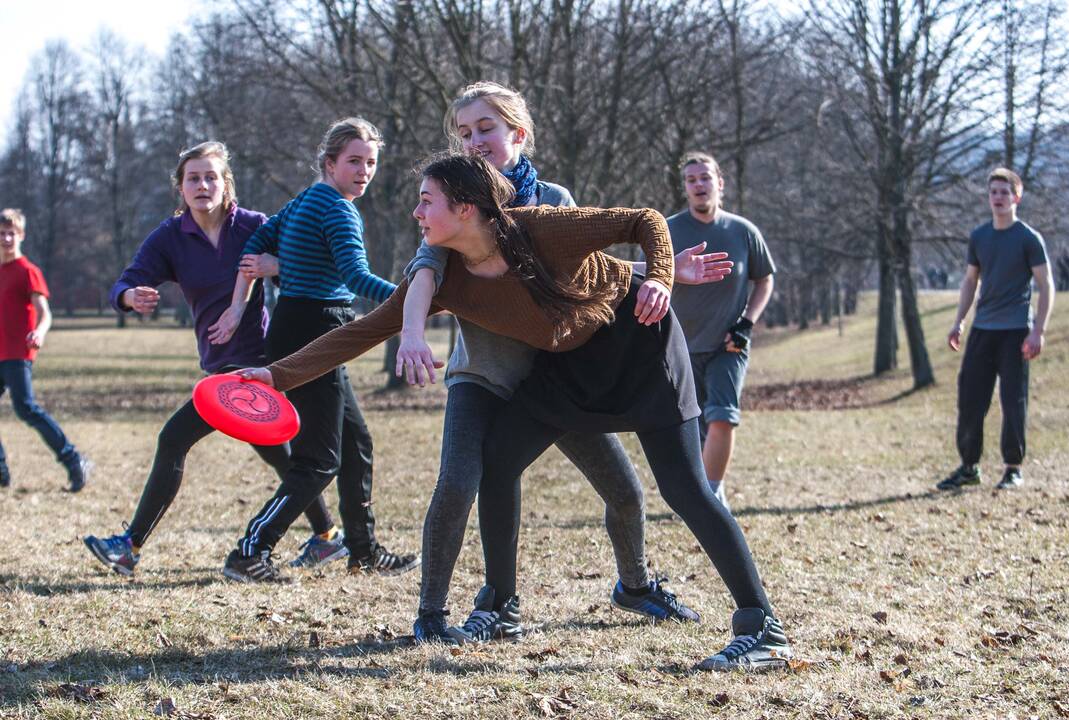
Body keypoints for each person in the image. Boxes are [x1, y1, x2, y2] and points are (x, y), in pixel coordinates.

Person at [240, 154, 794, 671]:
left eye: (426, 200)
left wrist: (660, 278)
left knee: (686, 489)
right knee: (497, 460)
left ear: (465, 208)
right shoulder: (447, 276)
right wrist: (275, 376)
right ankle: (502, 605)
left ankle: (760, 624)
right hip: (562, 367)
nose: (416, 212)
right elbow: (362, 330)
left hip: (636, 344)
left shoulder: (542, 226)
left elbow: (646, 220)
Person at [397, 82, 730, 643]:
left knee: (625, 491)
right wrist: (410, 331)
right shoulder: (456, 199)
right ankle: (438, 613)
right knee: (460, 482)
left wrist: (660, 275)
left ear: (518, 135)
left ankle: (635, 586)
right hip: (481, 375)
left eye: (486, 129)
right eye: (465, 132)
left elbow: (586, 274)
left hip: (551, 378)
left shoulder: (553, 199)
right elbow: (424, 268)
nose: (475, 141)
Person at [82, 142, 344, 577]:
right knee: (280, 455)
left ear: (226, 186)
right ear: (180, 188)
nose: (202, 185)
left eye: (211, 177)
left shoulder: (255, 226)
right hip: (220, 368)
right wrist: (129, 296)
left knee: (174, 439)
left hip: (263, 364)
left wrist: (272, 264)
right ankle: (327, 537)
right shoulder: (172, 237)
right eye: (193, 178)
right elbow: (126, 280)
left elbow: (307, 262)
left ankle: (128, 546)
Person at [214, 117, 417, 582]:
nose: (363, 171)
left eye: (370, 163)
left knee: (356, 443)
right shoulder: (339, 209)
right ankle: (250, 552)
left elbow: (257, 243)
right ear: (330, 163)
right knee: (319, 459)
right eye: (353, 162)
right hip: (316, 330)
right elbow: (355, 277)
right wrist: (417, 298)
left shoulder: (307, 199)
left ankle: (363, 551)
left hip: (298, 324)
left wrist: (281, 265)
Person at [666, 152, 775, 508]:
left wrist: (746, 322)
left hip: (729, 343)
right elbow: (652, 282)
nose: (699, 185)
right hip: (680, 346)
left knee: (722, 416)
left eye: (705, 178)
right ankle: (701, 492)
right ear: (685, 188)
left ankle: (712, 497)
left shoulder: (743, 231)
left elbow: (764, 280)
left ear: (719, 183)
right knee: (692, 427)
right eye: (692, 180)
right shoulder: (668, 230)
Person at [938, 168, 1054, 491]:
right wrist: (959, 320)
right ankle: (969, 466)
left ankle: (1013, 468)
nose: (998, 198)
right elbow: (970, 282)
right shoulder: (979, 237)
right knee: (970, 396)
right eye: (993, 192)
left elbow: (1047, 285)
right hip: (983, 329)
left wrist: (1038, 330)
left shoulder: (1029, 238)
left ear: (1017, 197)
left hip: (1016, 329)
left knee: (1012, 399)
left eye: (1005, 192)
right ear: (988, 198)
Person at [0, 208, 89, 492]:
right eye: (1, 234)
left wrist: (39, 331)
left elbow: (45, 312)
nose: (6, 238)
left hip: (17, 352)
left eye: (11, 233)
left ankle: (74, 460)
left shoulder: (29, 271)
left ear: (21, 235)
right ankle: (1, 472)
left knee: (26, 409)